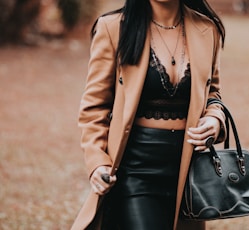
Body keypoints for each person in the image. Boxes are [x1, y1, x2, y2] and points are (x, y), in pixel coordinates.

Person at [71, 0, 226, 229]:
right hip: (135, 170)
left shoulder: (207, 29)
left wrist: (215, 119)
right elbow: (94, 107)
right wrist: (97, 162)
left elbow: (212, 92)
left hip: (189, 171)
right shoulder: (113, 27)